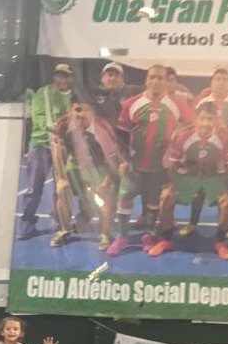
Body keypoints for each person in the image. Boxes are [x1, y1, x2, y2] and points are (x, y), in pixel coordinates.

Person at [107, 64, 193, 256]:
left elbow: (192, 125)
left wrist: (178, 150)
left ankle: (148, 235)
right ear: (146, 80)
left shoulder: (177, 104)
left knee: (152, 204)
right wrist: (123, 160)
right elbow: (121, 134)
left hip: (159, 167)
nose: (155, 81)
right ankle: (122, 237)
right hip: (134, 166)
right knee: (124, 199)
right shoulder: (132, 103)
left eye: (160, 78)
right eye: (152, 77)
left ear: (166, 81)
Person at [149, 101, 228, 260]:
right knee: (166, 198)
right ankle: (165, 240)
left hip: (213, 179)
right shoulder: (183, 135)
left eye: (210, 119)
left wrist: (226, 189)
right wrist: (171, 186)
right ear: (196, 119)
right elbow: (173, 163)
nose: (206, 123)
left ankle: (221, 243)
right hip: (188, 178)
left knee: (226, 205)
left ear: (216, 120)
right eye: (202, 118)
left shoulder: (225, 137)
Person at [49, 93, 121, 251]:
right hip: (74, 165)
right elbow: (57, 154)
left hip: (99, 167)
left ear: (93, 111)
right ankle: (65, 229)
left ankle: (105, 234)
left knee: (105, 198)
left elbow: (112, 160)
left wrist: (106, 182)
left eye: (85, 110)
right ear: (71, 111)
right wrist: (61, 178)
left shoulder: (103, 129)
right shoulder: (62, 125)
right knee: (61, 189)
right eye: (77, 110)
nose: (80, 114)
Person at [18, 64, 74, 240]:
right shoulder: (43, 93)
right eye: (58, 75)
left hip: (63, 147)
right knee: (34, 188)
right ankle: (27, 223)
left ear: (71, 78)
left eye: (65, 76)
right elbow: (39, 118)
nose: (61, 79)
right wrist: (57, 127)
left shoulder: (74, 96)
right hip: (41, 145)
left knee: (62, 188)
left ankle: (60, 220)